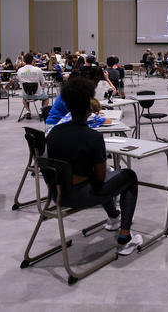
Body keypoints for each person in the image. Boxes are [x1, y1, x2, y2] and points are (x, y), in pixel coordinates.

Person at [45, 76, 142, 255]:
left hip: (58, 195)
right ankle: (125, 237)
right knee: (128, 176)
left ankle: (114, 218)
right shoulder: (93, 137)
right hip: (83, 196)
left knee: (105, 176)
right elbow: (99, 179)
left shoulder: (52, 134)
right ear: (89, 105)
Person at [17, 53, 49, 120]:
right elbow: (43, 83)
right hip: (38, 94)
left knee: (24, 98)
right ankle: (41, 111)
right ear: (32, 60)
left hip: (26, 94)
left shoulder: (19, 71)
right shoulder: (38, 70)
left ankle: (27, 111)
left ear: (24, 60)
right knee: (46, 98)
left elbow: (20, 84)